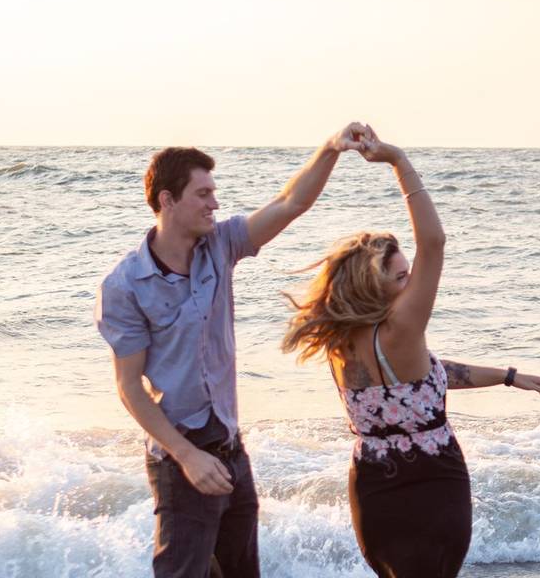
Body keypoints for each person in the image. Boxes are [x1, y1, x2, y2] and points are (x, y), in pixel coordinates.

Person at [95, 123, 369, 578]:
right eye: (202, 193)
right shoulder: (124, 285)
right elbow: (130, 389)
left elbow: (290, 202)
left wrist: (331, 149)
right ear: (167, 200)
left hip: (229, 446)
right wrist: (187, 456)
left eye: (213, 192)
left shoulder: (220, 246)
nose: (214, 203)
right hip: (180, 458)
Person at [281, 127, 540, 577]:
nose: (410, 282)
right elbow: (434, 243)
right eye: (401, 276)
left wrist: (508, 376)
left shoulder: (335, 340)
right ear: (376, 284)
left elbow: (423, 379)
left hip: (372, 490)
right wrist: (398, 160)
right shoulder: (402, 329)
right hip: (432, 484)